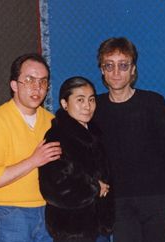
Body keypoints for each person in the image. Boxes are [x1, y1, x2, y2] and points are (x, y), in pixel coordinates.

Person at [92, 37, 165, 242]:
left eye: (123, 65)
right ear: (102, 70)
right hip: (118, 202)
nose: (116, 72)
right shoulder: (93, 107)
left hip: (157, 200)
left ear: (133, 69)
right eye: (109, 65)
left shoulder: (153, 102)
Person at [0, 53, 62, 242]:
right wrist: (33, 161)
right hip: (10, 213)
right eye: (29, 80)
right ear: (14, 85)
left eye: (43, 81)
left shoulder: (52, 121)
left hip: (49, 211)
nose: (37, 87)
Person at [39, 76, 113, 242]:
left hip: (99, 228)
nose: (87, 106)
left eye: (91, 100)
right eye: (80, 100)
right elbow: (54, 188)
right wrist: (94, 187)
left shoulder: (96, 134)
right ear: (65, 104)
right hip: (72, 230)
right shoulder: (56, 136)